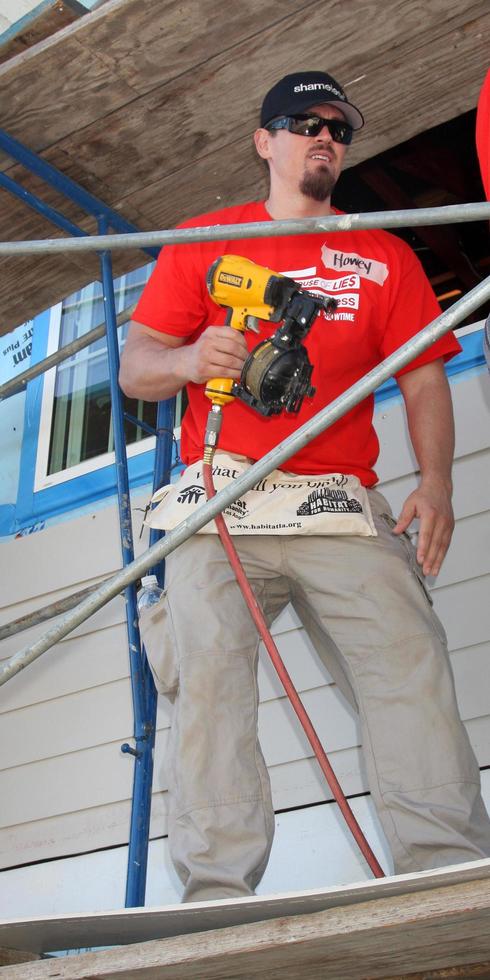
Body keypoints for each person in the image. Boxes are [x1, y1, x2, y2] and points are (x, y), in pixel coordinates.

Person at [120, 71, 490, 902]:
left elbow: (425, 379)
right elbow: (136, 364)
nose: (324, 136)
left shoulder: (385, 250)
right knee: (209, 685)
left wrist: (436, 483)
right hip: (219, 503)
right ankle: (217, 896)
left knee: (410, 668)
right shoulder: (205, 238)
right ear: (265, 140)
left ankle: (456, 877)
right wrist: (187, 359)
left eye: (339, 127)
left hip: (336, 503)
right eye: (302, 121)